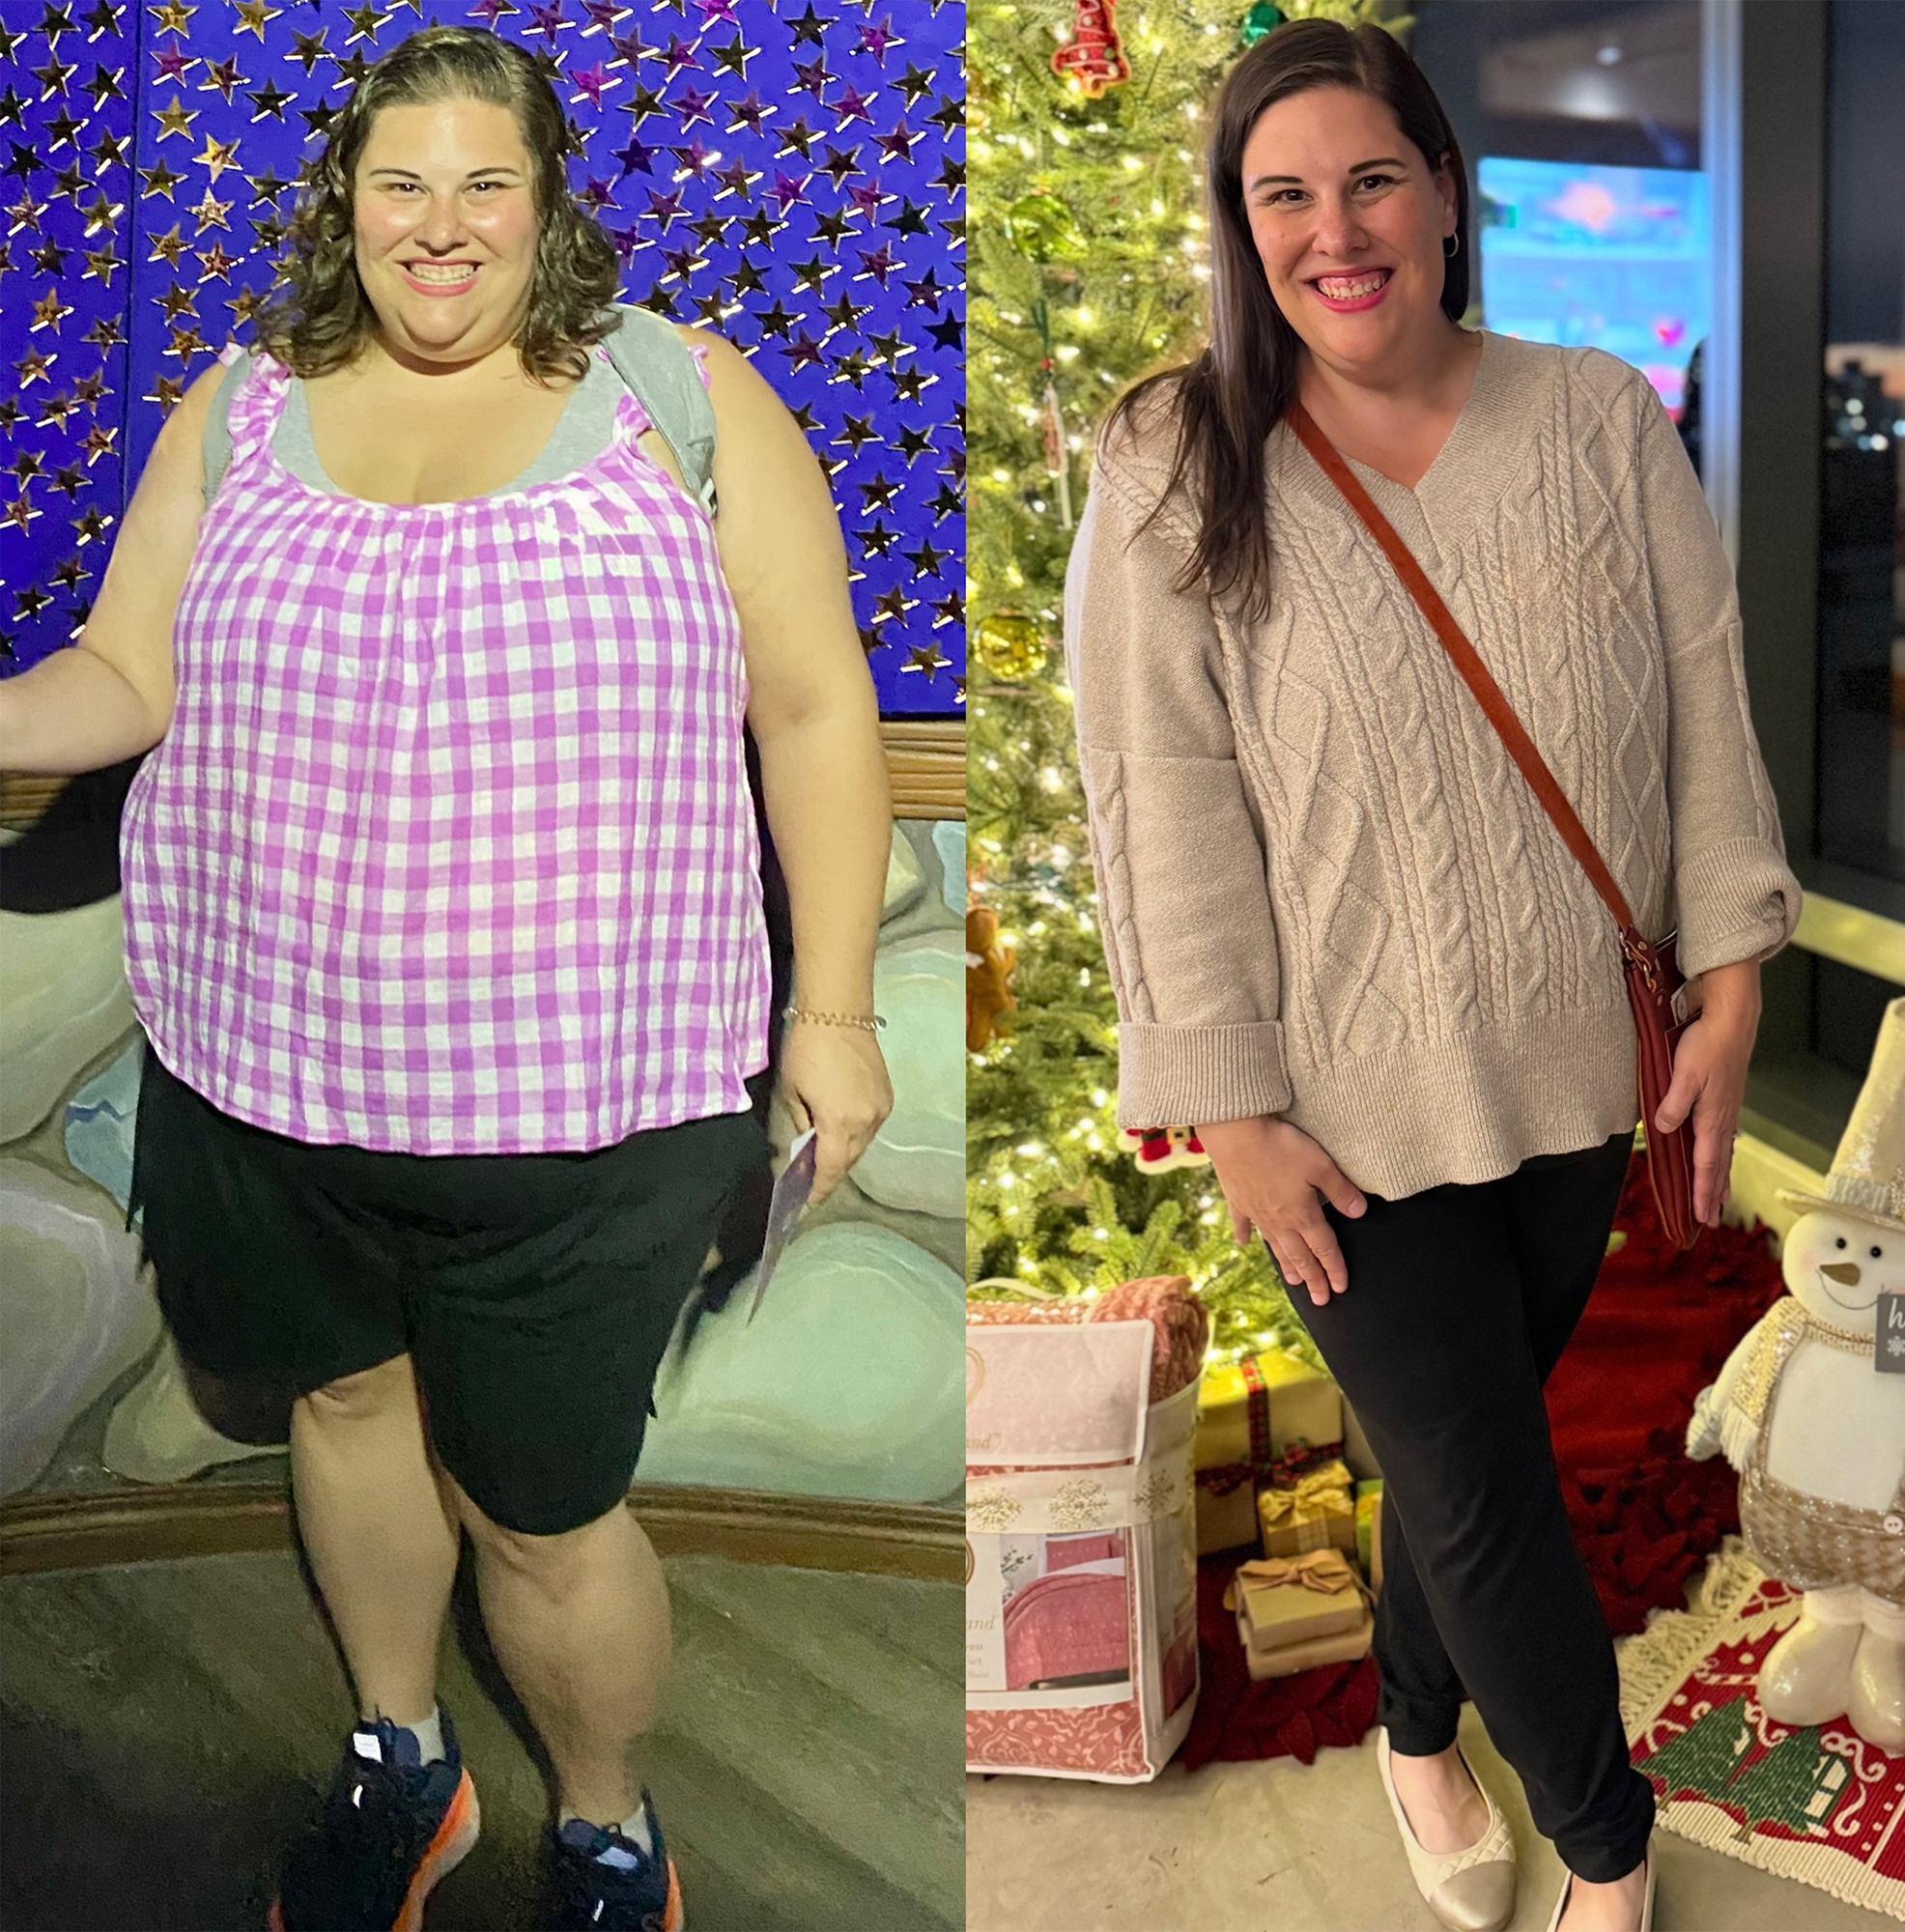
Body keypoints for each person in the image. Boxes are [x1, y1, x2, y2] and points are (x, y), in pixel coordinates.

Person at [0, 25, 894, 1932]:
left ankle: (603, 1824)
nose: (441, 224)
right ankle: (401, 1756)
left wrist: (834, 1017)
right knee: (340, 1412)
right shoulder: (235, 407)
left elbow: (815, 707)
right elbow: (126, 673)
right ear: (345, 203)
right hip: (263, 1079)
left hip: (591, 1113)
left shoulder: (681, 396)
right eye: (399, 181)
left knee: (544, 1511)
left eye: (486, 181)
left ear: (546, 201)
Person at [1066, 21, 1799, 1932]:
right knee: (1479, 1489)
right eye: (1282, 195)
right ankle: (1609, 1852)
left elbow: (1700, 705)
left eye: (1371, 177)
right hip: (1334, 1110)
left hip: (1576, 1071)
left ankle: (1409, 1717)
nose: (1336, 231)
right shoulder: (1172, 455)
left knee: (1449, 1456)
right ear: (1240, 229)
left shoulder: (1594, 420)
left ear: (1446, 193)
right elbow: (1159, 804)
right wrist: (1227, 1106)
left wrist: (1728, 967)